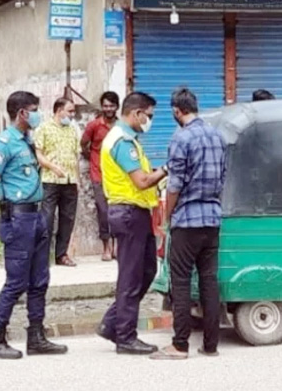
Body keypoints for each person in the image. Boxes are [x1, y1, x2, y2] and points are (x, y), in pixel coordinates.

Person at [0, 91, 67, 359]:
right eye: (35, 109)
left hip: (37, 216)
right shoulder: (3, 143)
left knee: (40, 280)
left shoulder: (27, 140)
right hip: (17, 219)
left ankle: (36, 336)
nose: (39, 114)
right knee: (16, 282)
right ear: (22, 113)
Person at [150, 88, 227, 360]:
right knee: (209, 281)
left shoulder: (181, 138)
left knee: (180, 281)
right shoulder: (218, 136)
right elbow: (223, 176)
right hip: (212, 220)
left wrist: (167, 217)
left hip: (187, 220)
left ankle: (180, 345)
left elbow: (174, 184)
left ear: (176, 110)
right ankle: (211, 345)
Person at [96, 92, 167, 355]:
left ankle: (112, 323)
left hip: (136, 213)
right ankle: (125, 337)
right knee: (131, 277)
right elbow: (142, 181)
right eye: (148, 116)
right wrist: (167, 169)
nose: (150, 121)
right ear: (136, 113)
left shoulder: (130, 140)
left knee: (147, 271)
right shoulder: (122, 141)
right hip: (128, 213)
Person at [34, 97, 80, 267]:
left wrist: (77, 181)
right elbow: (38, 154)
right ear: (59, 110)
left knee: (68, 219)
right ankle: (43, 255)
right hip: (50, 181)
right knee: (47, 218)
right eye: (70, 111)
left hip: (70, 181)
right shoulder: (43, 129)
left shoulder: (72, 130)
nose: (72, 115)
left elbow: (75, 156)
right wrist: (52, 167)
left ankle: (62, 255)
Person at [81, 92, 120, 261]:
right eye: (105, 105)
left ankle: (117, 246)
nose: (108, 109)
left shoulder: (121, 126)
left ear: (117, 107)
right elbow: (84, 144)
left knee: (118, 211)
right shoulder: (94, 125)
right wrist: (92, 158)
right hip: (98, 174)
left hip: (119, 176)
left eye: (112, 105)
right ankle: (106, 247)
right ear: (101, 107)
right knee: (103, 211)